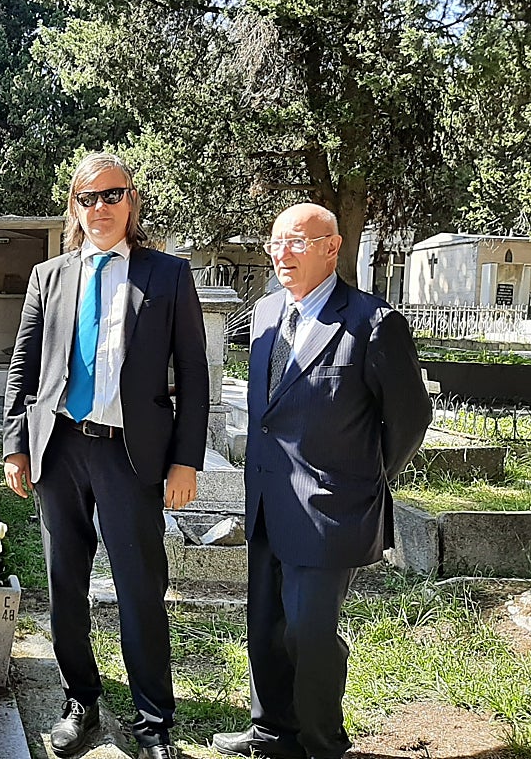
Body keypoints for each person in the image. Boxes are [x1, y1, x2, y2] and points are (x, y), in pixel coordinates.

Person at [2, 152, 210, 759]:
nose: (100, 208)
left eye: (112, 195)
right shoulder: (50, 276)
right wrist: (17, 444)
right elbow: (24, 366)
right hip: (61, 446)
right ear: (74, 206)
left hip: (131, 454)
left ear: (132, 201)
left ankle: (152, 722)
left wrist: (186, 460)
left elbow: (193, 377)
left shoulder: (166, 276)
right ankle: (81, 701)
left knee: (139, 587)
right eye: (87, 198)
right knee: (65, 583)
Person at [212, 203, 431, 759]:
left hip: (331, 508)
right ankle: (272, 733)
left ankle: (322, 743)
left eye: (297, 243)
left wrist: (365, 478)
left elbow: (409, 420)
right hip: (266, 502)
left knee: (308, 634)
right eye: (275, 242)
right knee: (264, 628)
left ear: (332, 248)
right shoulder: (263, 314)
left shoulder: (371, 323)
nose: (281, 254)